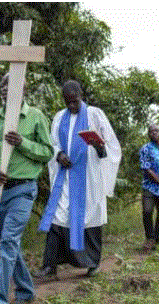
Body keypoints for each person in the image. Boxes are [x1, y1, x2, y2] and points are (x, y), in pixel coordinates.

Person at [0, 73, 53, 304]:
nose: (6, 90)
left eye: (13, 86)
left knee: (8, 240)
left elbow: (47, 152)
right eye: (3, 85)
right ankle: (25, 290)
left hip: (23, 189)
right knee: (8, 242)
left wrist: (23, 143)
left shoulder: (35, 116)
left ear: (23, 90)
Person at [35, 80, 121, 280]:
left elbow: (112, 146)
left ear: (81, 96)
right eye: (68, 102)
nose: (72, 106)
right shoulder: (58, 118)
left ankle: (92, 264)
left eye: (75, 101)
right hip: (65, 176)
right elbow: (53, 143)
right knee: (58, 215)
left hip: (89, 177)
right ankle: (50, 266)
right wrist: (59, 154)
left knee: (89, 218)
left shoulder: (95, 115)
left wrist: (100, 147)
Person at [137, 124, 159, 251]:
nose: (154, 133)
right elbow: (147, 170)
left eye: (156, 130)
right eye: (151, 132)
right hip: (150, 186)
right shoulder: (145, 149)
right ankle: (150, 238)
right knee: (147, 211)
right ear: (148, 134)